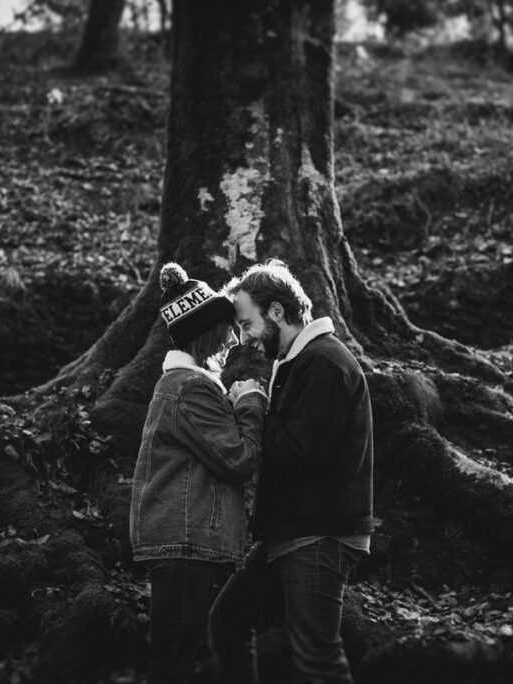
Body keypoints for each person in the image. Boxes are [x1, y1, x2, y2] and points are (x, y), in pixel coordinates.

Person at [210, 259, 374, 684]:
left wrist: (256, 407)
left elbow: (301, 453)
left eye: (247, 324)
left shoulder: (325, 363)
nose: (245, 339)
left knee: (317, 658)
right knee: (227, 621)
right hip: (291, 530)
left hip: (320, 533)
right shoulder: (298, 361)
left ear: (277, 312)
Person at [130, 262, 268, 684]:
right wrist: (251, 401)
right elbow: (238, 458)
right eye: (226, 328)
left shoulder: (182, 386)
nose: (232, 339)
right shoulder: (191, 388)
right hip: (184, 542)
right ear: (206, 332)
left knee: (177, 656)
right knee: (173, 661)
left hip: (182, 540)